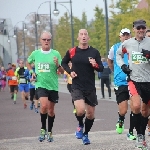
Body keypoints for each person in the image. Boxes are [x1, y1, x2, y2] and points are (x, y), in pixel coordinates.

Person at [61, 29, 104, 145]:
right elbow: (63, 63)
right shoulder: (72, 51)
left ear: (88, 38)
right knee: (80, 110)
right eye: (81, 34)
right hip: (76, 85)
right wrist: (70, 72)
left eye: (85, 34)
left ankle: (86, 134)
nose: (84, 36)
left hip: (90, 86)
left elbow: (101, 68)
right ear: (78, 38)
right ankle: (80, 124)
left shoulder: (94, 52)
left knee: (90, 114)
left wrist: (95, 65)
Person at [116, 19, 150, 149]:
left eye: (143, 27)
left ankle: (142, 136)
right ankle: (140, 136)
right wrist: (123, 65)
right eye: (138, 28)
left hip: (148, 80)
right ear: (134, 29)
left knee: (145, 111)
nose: (141, 30)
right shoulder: (127, 43)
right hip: (134, 80)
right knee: (135, 106)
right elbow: (118, 55)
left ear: (146, 28)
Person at [26, 31, 64, 142]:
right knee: (43, 106)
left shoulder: (56, 54)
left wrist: (57, 65)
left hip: (53, 86)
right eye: (44, 40)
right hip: (40, 84)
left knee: (51, 110)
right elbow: (28, 63)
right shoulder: (35, 54)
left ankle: (50, 131)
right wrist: (31, 71)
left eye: (48, 40)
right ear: (40, 41)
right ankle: (43, 128)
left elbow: (61, 71)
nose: (46, 41)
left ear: (50, 41)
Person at [108, 28, 137, 140]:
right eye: (123, 35)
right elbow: (110, 60)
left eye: (127, 35)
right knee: (124, 109)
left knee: (135, 107)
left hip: (133, 81)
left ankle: (130, 132)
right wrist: (114, 71)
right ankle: (120, 119)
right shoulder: (115, 48)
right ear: (120, 37)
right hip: (120, 82)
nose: (126, 37)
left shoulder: (134, 47)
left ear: (130, 36)